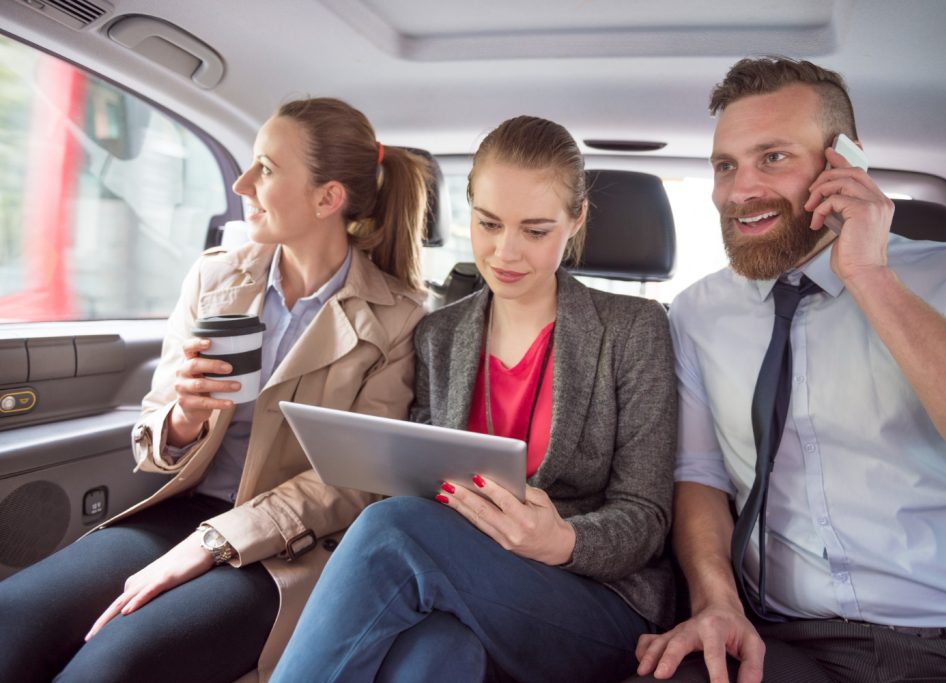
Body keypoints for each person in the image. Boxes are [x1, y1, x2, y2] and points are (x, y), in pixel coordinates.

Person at [0, 97, 430, 683]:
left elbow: (356, 484)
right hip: (181, 512)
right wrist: (181, 418)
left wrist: (212, 544)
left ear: (328, 198)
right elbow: (153, 435)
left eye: (267, 169)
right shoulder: (213, 277)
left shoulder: (400, 318)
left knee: (114, 663)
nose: (241, 181)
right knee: (13, 617)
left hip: (284, 548)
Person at [631, 57, 946, 682]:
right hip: (785, 643)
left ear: (846, 161)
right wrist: (715, 603)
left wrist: (869, 275)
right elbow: (700, 476)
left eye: (774, 158)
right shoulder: (696, 314)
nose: (740, 191)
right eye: (725, 166)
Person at [269, 115, 678, 683]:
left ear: (576, 219)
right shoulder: (440, 334)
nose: (506, 252)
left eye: (536, 231)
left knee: (392, 530)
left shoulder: (635, 329)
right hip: (465, 582)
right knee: (437, 655)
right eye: (488, 224)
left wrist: (562, 540)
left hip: (595, 599)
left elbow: (648, 514)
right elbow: (421, 478)